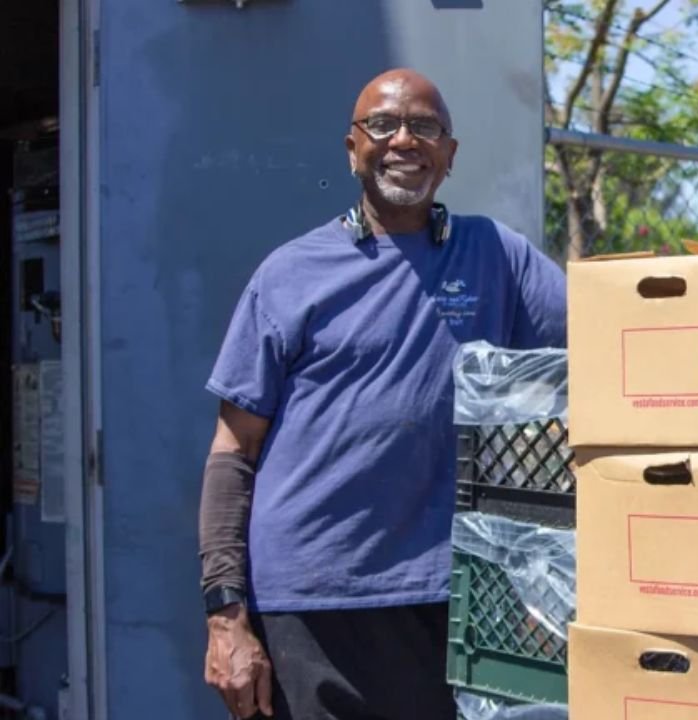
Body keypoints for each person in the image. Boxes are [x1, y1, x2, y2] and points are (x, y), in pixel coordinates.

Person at [197, 68, 566, 719]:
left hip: (453, 599)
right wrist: (226, 618)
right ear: (351, 148)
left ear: (450, 155)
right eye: (383, 125)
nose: (404, 140)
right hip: (312, 605)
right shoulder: (289, 274)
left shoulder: (495, 257)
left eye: (425, 127)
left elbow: (611, 337)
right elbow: (232, 451)